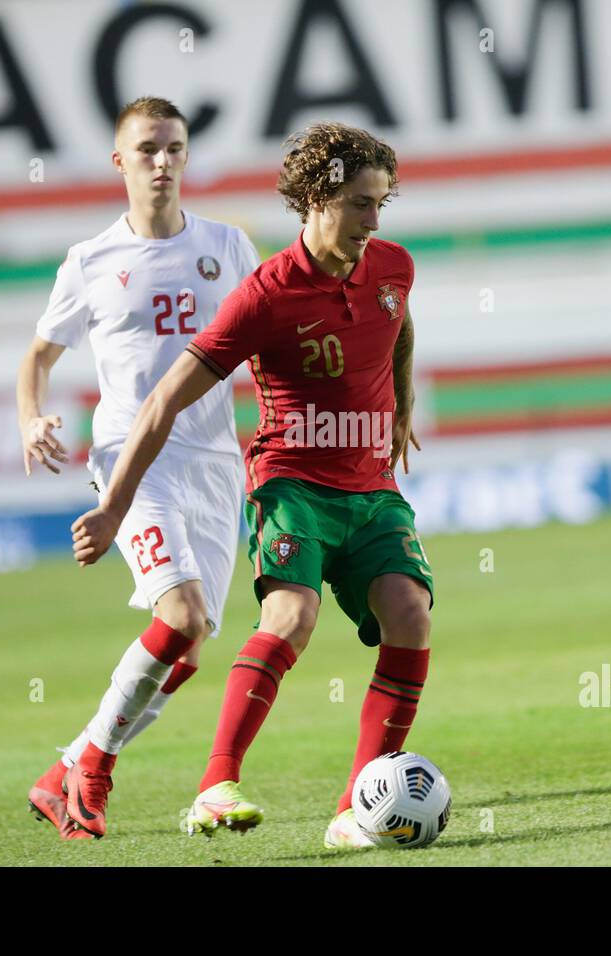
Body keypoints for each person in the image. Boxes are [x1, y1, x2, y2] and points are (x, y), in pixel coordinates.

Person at [70, 122, 432, 849]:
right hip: (293, 484)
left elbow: (400, 328)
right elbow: (165, 398)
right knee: (292, 616)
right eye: (362, 204)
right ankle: (215, 784)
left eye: (382, 205)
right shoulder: (265, 296)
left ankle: (357, 807)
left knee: (411, 615)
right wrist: (113, 505)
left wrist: (401, 407)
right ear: (318, 200)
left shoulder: (392, 266)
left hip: (371, 487)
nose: (374, 221)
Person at [16, 96, 259, 839]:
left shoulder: (229, 244)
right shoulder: (90, 262)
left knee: (190, 637)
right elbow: (39, 354)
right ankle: (96, 770)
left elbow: (266, 344)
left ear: (187, 157)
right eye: (148, 149)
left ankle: (68, 767)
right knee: (179, 615)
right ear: (119, 161)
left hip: (216, 463)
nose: (162, 161)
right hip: (132, 457)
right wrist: (32, 416)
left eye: (174, 148)